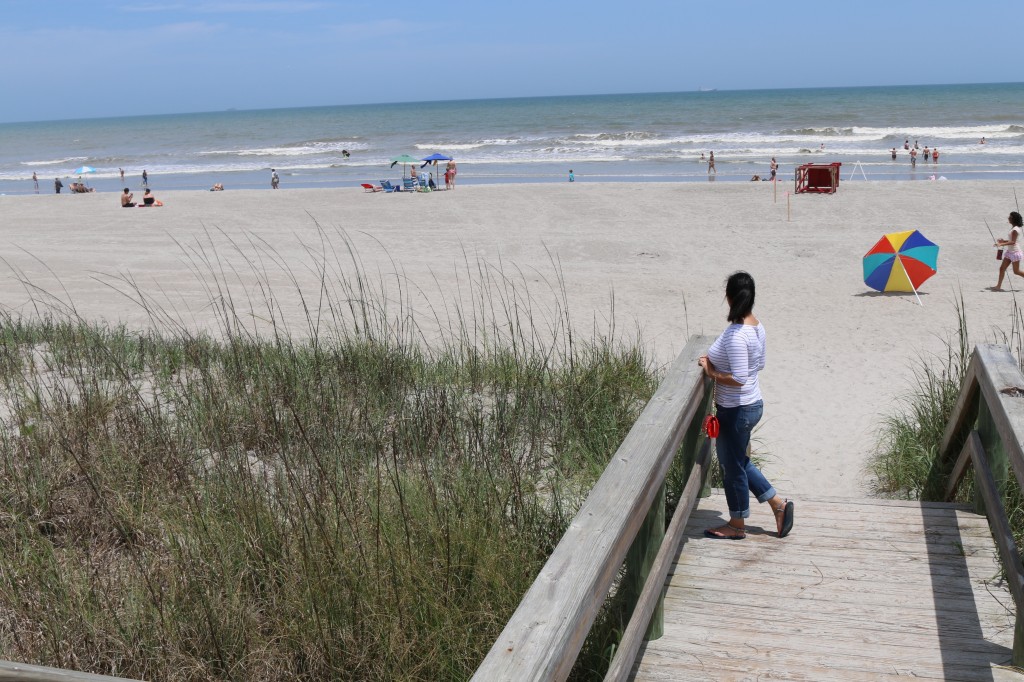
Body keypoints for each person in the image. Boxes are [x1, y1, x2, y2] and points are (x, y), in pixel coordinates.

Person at [697, 272, 794, 540]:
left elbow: (739, 378)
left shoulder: (736, 335)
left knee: (733, 468)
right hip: (752, 405)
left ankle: (736, 524)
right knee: (738, 461)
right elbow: (758, 366)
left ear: (728, 297)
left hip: (736, 410)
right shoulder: (757, 327)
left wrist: (712, 372)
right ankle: (778, 505)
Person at [992, 212, 1024, 291]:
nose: (1008, 218)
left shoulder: (1015, 229)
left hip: (1015, 252)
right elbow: (1011, 240)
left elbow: (1013, 242)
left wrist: (1002, 244)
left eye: (1010, 217)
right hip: (1010, 252)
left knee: (1016, 271)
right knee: (1002, 268)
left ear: (1013, 219)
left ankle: (998, 286)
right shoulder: (1014, 228)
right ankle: (998, 286)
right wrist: (1003, 241)